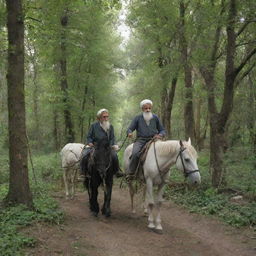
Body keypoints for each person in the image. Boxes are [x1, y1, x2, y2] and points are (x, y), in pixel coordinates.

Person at [126, 99, 166, 177]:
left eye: (149, 108)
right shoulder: (137, 118)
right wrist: (129, 133)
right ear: (142, 109)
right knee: (134, 154)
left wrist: (160, 135)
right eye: (146, 108)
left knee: (164, 152)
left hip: (154, 140)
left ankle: (164, 172)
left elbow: (162, 130)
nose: (148, 110)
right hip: (141, 140)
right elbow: (130, 128)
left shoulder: (155, 117)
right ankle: (131, 172)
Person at [80, 108, 123, 179]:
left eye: (107, 117)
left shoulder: (110, 126)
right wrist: (90, 142)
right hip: (95, 146)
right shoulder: (93, 126)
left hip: (107, 147)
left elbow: (112, 137)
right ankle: (83, 173)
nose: (106, 118)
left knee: (114, 155)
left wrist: (112, 145)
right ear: (99, 118)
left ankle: (117, 171)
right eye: (104, 117)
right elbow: (89, 136)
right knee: (84, 154)